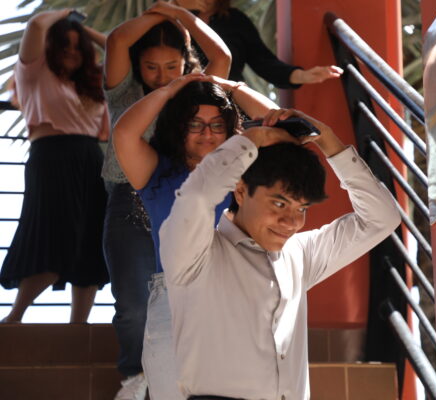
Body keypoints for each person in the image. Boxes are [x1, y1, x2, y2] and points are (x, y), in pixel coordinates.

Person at [159, 108, 402, 399]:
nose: (291, 222)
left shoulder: (299, 255)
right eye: (279, 203)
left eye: (302, 208)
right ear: (240, 191)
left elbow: (382, 218)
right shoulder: (193, 253)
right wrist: (254, 139)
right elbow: (197, 196)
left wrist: (329, 142)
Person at [112, 72, 278, 399]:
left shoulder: (243, 171)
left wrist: (232, 88)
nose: (207, 133)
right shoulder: (156, 173)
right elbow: (124, 132)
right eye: (195, 124)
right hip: (174, 301)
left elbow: (283, 126)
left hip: (238, 297)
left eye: (217, 124)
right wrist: (170, 90)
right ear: (178, 127)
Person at [101, 2, 231, 398]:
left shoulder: (193, 93)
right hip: (128, 202)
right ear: (137, 65)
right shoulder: (124, 92)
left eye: (172, 66)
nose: (162, 76)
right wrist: (162, 12)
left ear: (185, 60)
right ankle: (134, 376)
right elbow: (117, 40)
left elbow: (223, 58)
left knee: (187, 300)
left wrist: (182, 17)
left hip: (182, 204)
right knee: (132, 303)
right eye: (152, 67)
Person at [0, 10, 109, 323]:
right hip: (52, 158)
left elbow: (120, 50)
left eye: (77, 46)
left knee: (90, 241)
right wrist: (66, 16)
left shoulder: (91, 83)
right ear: (51, 47)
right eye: (65, 45)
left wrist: (83, 31)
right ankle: (15, 317)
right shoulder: (34, 74)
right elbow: (36, 25)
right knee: (52, 234)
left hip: (91, 160)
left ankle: (79, 326)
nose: (72, 51)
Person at [175, 0, 343, 88]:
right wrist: (176, 7)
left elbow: (264, 63)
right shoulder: (170, 17)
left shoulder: (234, 20)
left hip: (228, 103)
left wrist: (303, 75)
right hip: (178, 101)